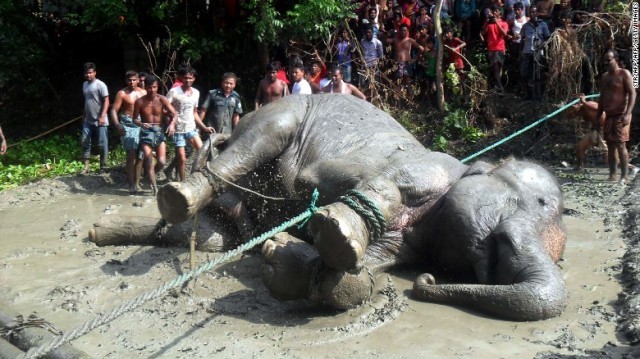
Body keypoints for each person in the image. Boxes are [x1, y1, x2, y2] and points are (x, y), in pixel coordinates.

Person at [167, 66, 214, 182]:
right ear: (181, 78)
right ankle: (183, 182)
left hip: (191, 127)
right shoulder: (174, 92)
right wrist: (171, 123)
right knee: (182, 158)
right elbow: (165, 109)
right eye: (185, 78)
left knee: (203, 151)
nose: (188, 80)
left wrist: (204, 127)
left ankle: (202, 178)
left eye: (190, 78)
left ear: (194, 79)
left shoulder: (196, 93)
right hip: (178, 129)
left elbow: (194, 113)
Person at [596, 49, 637, 184]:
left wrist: (628, 113)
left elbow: (632, 94)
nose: (606, 62)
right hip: (609, 115)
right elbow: (602, 97)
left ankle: (624, 176)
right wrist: (598, 114)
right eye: (605, 60)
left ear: (616, 60)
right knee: (611, 145)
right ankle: (612, 174)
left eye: (609, 60)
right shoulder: (604, 77)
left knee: (620, 145)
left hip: (621, 115)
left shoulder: (624, 73)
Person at [132, 76, 178, 195]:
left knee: (162, 161)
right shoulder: (140, 101)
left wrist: (172, 125)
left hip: (158, 131)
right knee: (148, 160)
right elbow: (134, 119)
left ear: (157, 87)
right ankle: (154, 188)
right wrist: (142, 124)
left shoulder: (162, 99)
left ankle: (149, 177)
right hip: (146, 133)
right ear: (145, 87)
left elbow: (175, 113)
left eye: (154, 87)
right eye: (149, 87)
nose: (152, 89)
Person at [110, 70, 146, 194]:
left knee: (141, 156)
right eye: (129, 80)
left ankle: (137, 183)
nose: (132, 82)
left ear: (138, 80)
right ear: (126, 81)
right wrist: (118, 125)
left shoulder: (144, 93)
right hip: (128, 124)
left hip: (141, 124)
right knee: (131, 154)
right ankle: (130, 184)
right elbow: (114, 110)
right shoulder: (122, 93)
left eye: (134, 79)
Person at [81, 62, 110, 174]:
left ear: (95, 73)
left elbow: (106, 100)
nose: (88, 75)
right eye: (86, 73)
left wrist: (102, 116)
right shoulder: (84, 85)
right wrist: (83, 115)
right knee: (85, 142)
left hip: (100, 119)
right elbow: (87, 101)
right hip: (88, 119)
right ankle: (86, 167)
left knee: (102, 144)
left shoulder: (100, 85)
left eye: (90, 73)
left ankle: (104, 166)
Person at [519, 6, 550, 100]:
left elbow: (548, 38)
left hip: (538, 53)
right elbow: (522, 39)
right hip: (527, 52)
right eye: (531, 12)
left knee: (538, 74)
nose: (533, 14)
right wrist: (520, 52)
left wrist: (541, 45)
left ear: (537, 13)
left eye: (534, 12)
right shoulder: (525, 26)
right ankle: (529, 94)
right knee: (525, 74)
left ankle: (539, 95)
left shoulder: (542, 25)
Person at [483, 5, 510, 92]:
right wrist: (487, 22)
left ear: (500, 13)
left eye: (496, 11)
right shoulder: (489, 23)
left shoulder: (504, 23)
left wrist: (497, 23)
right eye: (494, 11)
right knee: (495, 67)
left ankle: (497, 86)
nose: (494, 12)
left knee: (498, 68)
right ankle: (500, 87)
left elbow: (504, 34)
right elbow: (483, 32)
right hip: (491, 48)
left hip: (500, 47)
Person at [360, 23, 384, 96]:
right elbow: (361, 53)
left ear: (373, 32)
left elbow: (381, 57)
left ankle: (374, 101)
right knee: (364, 85)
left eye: (369, 32)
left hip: (374, 67)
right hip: (364, 67)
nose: (368, 34)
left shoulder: (378, 42)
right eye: (366, 32)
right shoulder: (362, 41)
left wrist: (376, 64)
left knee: (375, 85)